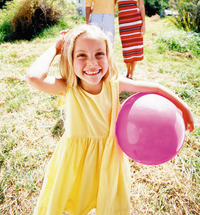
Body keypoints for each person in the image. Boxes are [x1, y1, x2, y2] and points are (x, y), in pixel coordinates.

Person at [26, 24, 194, 215]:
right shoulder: (69, 88)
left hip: (109, 157)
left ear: (108, 57)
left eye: (99, 54)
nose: (92, 63)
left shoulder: (115, 85)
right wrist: (55, 48)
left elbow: (154, 88)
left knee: (108, 202)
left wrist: (184, 108)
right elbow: (34, 77)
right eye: (81, 55)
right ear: (70, 59)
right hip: (77, 159)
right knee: (74, 202)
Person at [115, 0, 145, 79]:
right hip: (124, 23)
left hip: (135, 22)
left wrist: (143, 24)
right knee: (127, 48)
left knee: (135, 48)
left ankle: (131, 73)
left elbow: (141, 6)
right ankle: (128, 70)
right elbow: (112, 5)